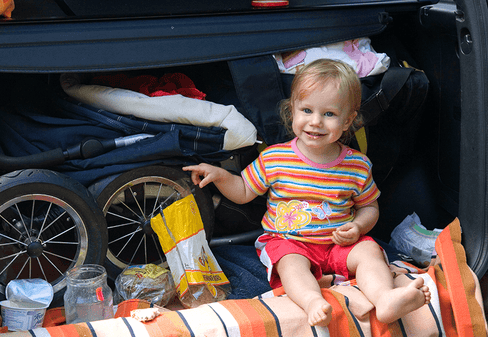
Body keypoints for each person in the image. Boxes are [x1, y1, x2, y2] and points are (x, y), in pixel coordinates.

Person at [183, 58, 431, 326]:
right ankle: (313, 300)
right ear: (293, 111)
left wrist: (358, 228)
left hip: (340, 245)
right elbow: (244, 191)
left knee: (369, 253)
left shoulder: (357, 165)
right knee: (290, 263)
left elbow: (369, 207)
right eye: (307, 110)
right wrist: (221, 176)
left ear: (348, 121)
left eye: (329, 114)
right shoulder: (275, 158)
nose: (316, 122)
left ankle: (385, 299)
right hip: (289, 241)